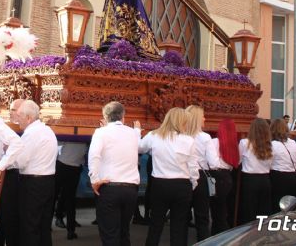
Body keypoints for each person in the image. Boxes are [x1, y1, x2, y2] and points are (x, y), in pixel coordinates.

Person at [139, 107, 198, 246]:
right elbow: (193, 167)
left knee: (155, 225)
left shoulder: (154, 135)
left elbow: (139, 148)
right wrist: (193, 184)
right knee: (179, 226)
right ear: (181, 122)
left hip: (160, 184)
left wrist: (137, 133)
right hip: (182, 185)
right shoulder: (189, 140)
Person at [88, 101, 141, 246]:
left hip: (109, 188)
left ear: (104, 117)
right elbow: (139, 145)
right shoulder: (132, 133)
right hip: (130, 189)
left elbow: (94, 156)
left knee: (110, 235)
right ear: (123, 117)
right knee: (124, 233)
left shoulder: (101, 132)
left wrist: (94, 180)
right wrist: (137, 130)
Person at [14, 100, 58, 246]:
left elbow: (20, 162)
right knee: (44, 226)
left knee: (30, 226)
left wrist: (8, 155)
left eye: (19, 116)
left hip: (33, 185)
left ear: (29, 118)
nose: (17, 119)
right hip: (48, 182)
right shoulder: (48, 130)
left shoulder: (31, 134)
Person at [0, 97, 23, 246]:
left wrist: (1, 166)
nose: (10, 113)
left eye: (14, 110)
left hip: (4, 174)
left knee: (6, 216)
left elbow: (16, 144)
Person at [205, 119, 238, 235]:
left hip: (217, 177)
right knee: (222, 209)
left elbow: (212, 163)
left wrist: (219, 163)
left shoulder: (213, 142)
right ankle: (218, 234)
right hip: (228, 177)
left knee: (217, 212)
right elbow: (235, 163)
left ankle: (222, 236)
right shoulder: (234, 144)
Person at [184, 105, 211, 241]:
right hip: (201, 176)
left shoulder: (181, 136)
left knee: (182, 216)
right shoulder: (205, 138)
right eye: (202, 116)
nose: (205, 118)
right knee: (202, 217)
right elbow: (211, 161)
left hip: (183, 177)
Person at [238, 118, 273, 224]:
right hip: (265, 179)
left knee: (249, 211)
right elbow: (271, 164)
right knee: (263, 211)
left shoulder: (245, 143)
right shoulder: (270, 145)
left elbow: (238, 160)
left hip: (250, 180)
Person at [53, 141, 87, 240]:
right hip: (74, 168)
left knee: (53, 196)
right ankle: (71, 231)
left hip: (61, 165)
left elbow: (57, 144)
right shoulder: (85, 139)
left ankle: (47, 227)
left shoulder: (69, 134)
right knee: (70, 200)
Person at [269, 119, 296, 213]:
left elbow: (268, 163)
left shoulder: (272, 144)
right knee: (291, 206)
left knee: (278, 206)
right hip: (293, 176)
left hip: (278, 178)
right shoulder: (293, 142)